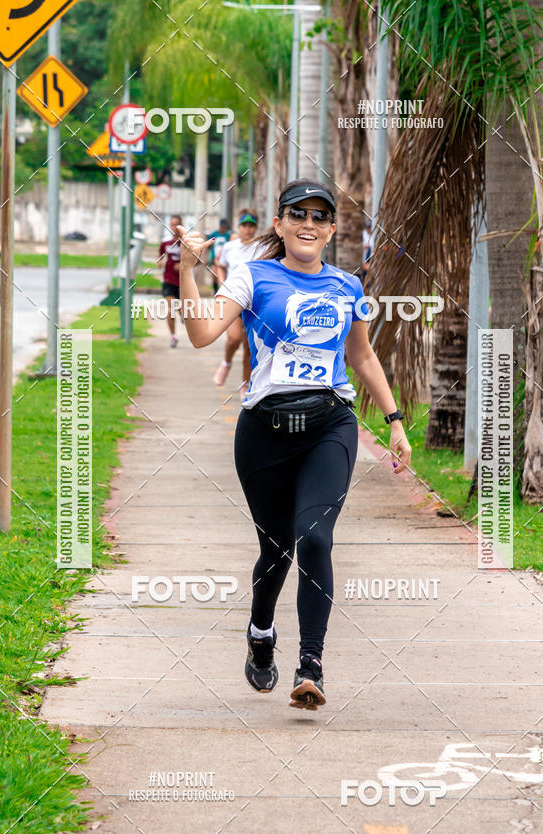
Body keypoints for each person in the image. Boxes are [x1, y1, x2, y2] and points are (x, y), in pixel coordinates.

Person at [177, 179, 412, 712]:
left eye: (320, 216)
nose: (309, 224)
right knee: (276, 547)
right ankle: (261, 632)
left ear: (332, 230)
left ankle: (311, 666)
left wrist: (395, 420)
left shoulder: (348, 286)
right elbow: (200, 335)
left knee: (316, 538)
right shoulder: (252, 276)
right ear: (279, 224)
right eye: (297, 214)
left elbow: (363, 356)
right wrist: (189, 271)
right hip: (264, 431)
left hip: (330, 424)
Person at [214, 209, 261, 399]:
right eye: (244, 225)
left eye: (251, 226)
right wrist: (223, 284)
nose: (247, 229)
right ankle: (226, 363)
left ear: (256, 228)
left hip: (254, 303)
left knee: (249, 346)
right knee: (233, 338)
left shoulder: (262, 248)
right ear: (239, 227)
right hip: (234, 299)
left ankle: (246, 384)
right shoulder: (230, 247)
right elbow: (220, 264)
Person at [158, 215, 183, 348]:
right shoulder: (165, 242)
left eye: (177, 225)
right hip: (168, 279)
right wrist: (160, 261)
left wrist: (182, 265)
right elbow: (160, 255)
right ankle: (173, 336)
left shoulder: (186, 243)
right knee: (171, 307)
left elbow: (197, 261)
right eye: (172, 225)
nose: (174, 228)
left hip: (183, 281)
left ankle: (182, 314)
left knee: (183, 308)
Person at [207, 218, 231, 292]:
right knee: (214, 274)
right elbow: (209, 244)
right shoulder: (214, 234)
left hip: (224, 259)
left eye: (225, 227)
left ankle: (223, 291)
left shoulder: (228, 235)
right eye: (222, 227)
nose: (223, 228)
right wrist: (206, 256)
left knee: (223, 276)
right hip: (215, 258)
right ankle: (215, 291)